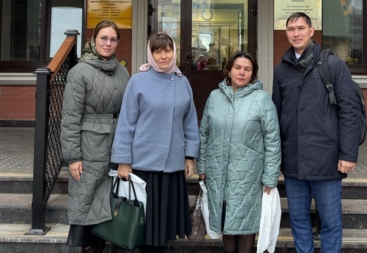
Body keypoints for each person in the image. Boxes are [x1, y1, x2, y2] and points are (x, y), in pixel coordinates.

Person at [272, 12, 360, 253]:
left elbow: (349, 111)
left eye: (301, 28)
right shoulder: (280, 71)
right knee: (298, 221)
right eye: (291, 29)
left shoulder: (333, 65)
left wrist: (348, 154)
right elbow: (276, 115)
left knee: (330, 222)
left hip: (327, 161)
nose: (296, 33)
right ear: (286, 33)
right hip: (293, 161)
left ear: (311, 31)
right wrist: (275, 158)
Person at [111, 32, 200, 253]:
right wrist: (123, 160)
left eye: (167, 50)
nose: (163, 56)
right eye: (157, 51)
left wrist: (189, 156)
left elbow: (189, 121)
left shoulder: (182, 82)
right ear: (150, 54)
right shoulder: (138, 81)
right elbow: (126, 122)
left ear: (174, 52)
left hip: (172, 166)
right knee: (144, 226)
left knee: (163, 227)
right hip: (144, 166)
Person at [198, 52, 281, 253]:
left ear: (252, 74)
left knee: (245, 222)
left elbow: (272, 140)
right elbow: (204, 134)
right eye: (237, 68)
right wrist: (202, 166)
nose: (242, 72)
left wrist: (271, 175)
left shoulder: (262, 99)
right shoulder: (215, 97)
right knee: (225, 218)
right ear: (228, 70)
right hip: (218, 171)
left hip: (248, 174)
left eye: (247, 69)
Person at [61, 20, 131, 253]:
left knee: (109, 205)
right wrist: (73, 157)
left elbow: (129, 111)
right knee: (87, 201)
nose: (108, 43)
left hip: (115, 146)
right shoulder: (79, 72)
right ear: (93, 40)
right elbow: (70, 117)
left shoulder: (122, 71)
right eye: (104, 38)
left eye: (113, 39)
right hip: (89, 148)